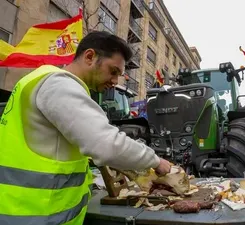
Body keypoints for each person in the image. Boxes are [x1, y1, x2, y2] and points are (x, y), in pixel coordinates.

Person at [0, 31, 171, 225]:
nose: (115, 81)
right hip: (36, 215)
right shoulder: (59, 85)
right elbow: (106, 144)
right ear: (90, 57)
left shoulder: (38, 80)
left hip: (26, 210)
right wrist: (155, 161)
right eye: (113, 71)